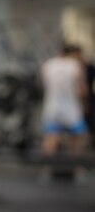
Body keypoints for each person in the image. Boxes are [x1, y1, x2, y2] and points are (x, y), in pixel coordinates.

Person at [39, 44, 89, 183]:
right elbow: (82, 90)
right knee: (78, 139)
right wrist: (86, 105)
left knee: (51, 139)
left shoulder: (48, 65)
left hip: (52, 107)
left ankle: (46, 171)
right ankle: (78, 171)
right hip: (71, 108)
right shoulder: (76, 66)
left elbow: (44, 87)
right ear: (73, 53)